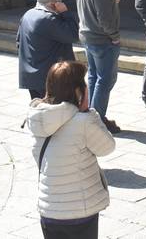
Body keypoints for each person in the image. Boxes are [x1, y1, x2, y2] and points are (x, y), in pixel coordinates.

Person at [27, 61, 115, 238]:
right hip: (79, 212)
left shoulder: (38, 118)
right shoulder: (82, 122)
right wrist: (91, 114)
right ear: (78, 91)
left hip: (49, 210)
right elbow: (108, 147)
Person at [75, 0, 122, 133]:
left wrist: (112, 0)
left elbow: (91, 4)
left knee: (94, 77)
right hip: (102, 39)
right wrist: (115, 36)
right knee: (105, 79)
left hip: (87, 35)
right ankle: (97, 120)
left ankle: (90, 114)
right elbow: (104, 19)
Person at [17, 0, 78, 99]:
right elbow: (73, 35)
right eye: (60, 1)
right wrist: (66, 13)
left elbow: (18, 42)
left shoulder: (27, 15)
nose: (62, 3)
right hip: (49, 77)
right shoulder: (49, 19)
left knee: (39, 110)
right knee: (53, 111)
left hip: (32, 77)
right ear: (53, 4)